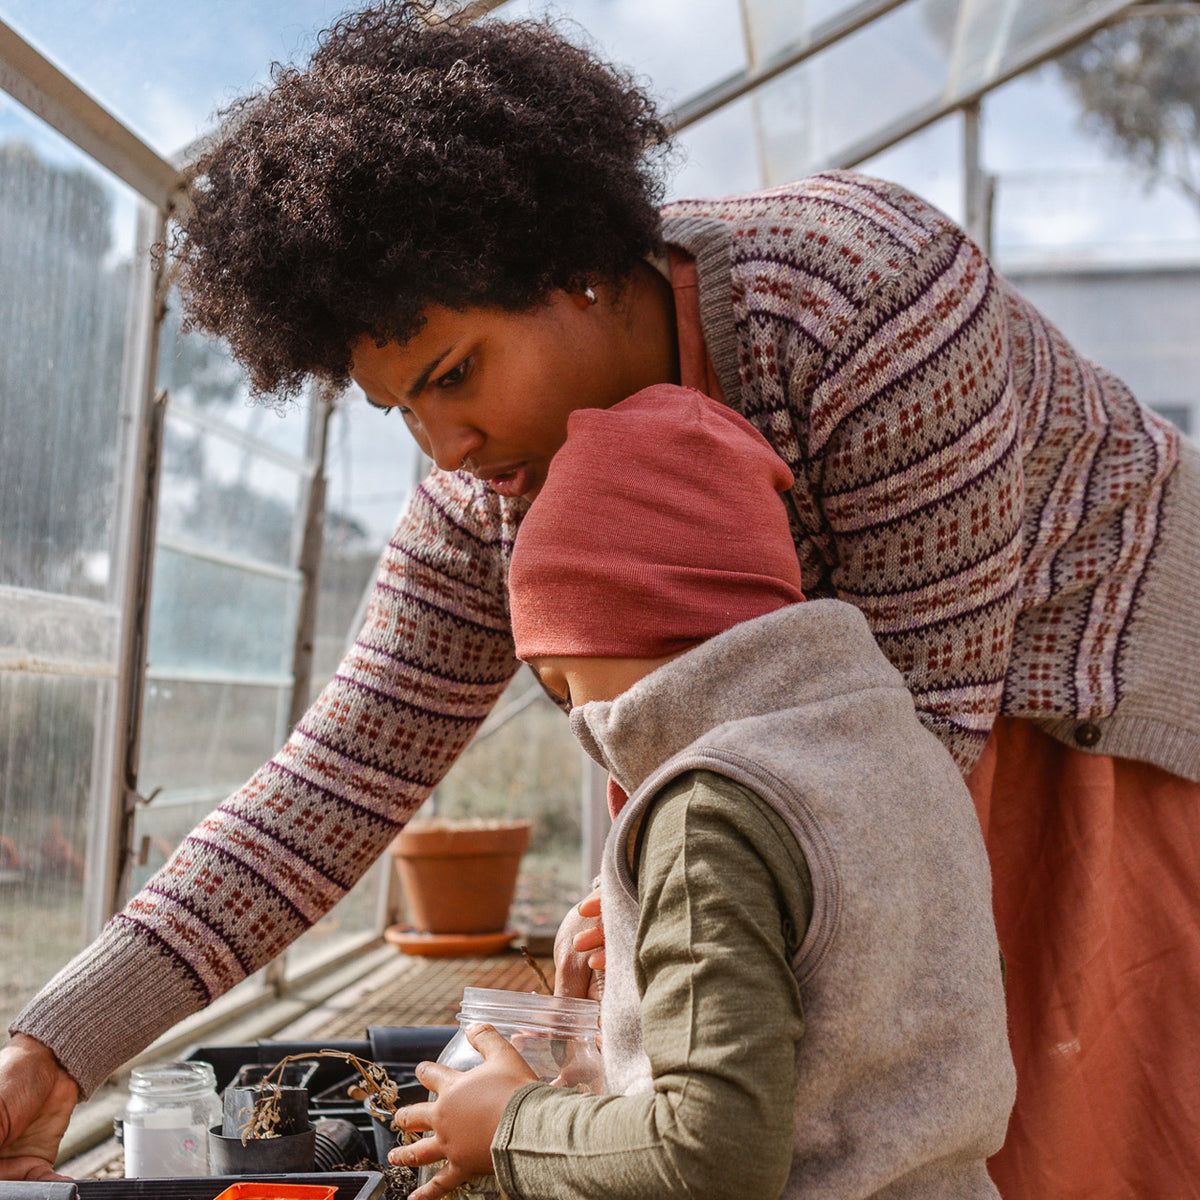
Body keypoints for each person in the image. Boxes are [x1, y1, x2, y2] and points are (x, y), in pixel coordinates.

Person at [1, 2, 1197, 1194]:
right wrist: (56, 1052)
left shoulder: (856, 302)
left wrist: (672, 910)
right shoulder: (491, 499)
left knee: (1059, 1134)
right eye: (403, 412)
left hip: (1078, 702)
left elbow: (919, 745)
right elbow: (331, 782)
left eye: (455, 373)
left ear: (572, 266)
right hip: (849, 780)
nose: (446, 445)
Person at [391, 383, 1014, 1200]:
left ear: (626, 619)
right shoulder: (902, 757)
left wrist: (510, 1122)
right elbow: (857, 999)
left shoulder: (709, 811)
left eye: (563, 677)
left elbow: (707, 1155)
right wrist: (661, 963)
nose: (578, 715)